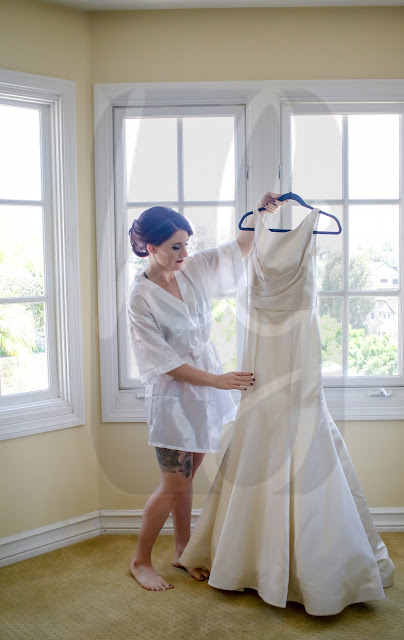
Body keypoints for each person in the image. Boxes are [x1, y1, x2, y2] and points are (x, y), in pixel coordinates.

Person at [127, 193, 283, 592]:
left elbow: (240, 247)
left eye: (186, 244)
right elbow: (163, 361)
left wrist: (259, 212)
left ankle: (183, 549)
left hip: (206, 391)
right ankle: (140, 561)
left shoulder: (192, 269)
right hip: (173, 398)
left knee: (187, 480)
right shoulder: (139, 298)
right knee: (173, 485)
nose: (185, 253)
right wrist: (219, 381)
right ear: (150, 248)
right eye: (175, 247)